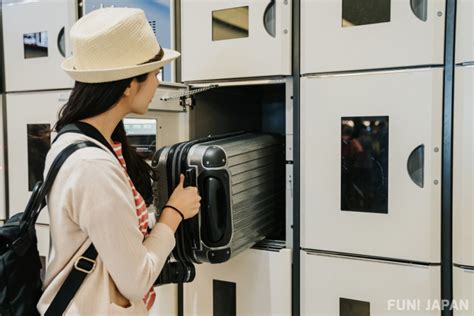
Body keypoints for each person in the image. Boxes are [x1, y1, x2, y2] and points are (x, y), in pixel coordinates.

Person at [37, 7, 201, 315]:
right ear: (128, 84)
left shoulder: (74, 138)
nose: (157, 84)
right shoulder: (93, 166)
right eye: (155, 74)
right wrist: (174, 213)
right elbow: (136, 281)